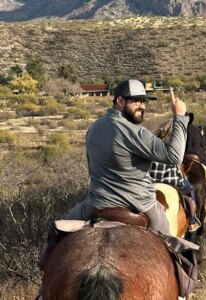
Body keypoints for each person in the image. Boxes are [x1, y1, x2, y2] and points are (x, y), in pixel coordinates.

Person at [39, 79, 189, 270]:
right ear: (120, 101)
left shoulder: (93, 129)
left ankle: (44, 284)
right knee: (173, 255)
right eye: (136, 101)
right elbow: (174, 156)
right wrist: (180, 116)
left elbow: (91, 169)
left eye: (144, 101)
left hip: (96, 205)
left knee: (58, 232)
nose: (142, 106)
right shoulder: (136, 133)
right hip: (141, 205)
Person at [149, 161, 201, 233]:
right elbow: (178, 160)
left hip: (151, 178)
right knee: (190, 190)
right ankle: (192, 220)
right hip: (171, 179)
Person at [185, 112, 206, 198]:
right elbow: (203, 144)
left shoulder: (179, 129)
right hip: (197, 156)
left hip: (183, 157)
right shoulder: (197, 129)